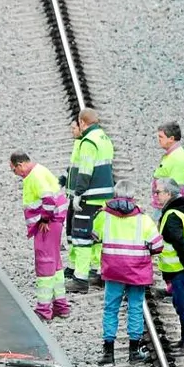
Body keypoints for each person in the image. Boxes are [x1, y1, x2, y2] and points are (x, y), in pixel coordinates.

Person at [92, 179, 162, 365]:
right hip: (137, 271)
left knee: (110, 308)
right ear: (133, 197)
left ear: (115, 196)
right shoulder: (143, 219)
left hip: (113, 270)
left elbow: (95, 237)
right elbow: (157, 245)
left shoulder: (103, 216)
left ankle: (108, 354)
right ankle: (133, 352)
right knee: (135, 308)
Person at [10, 151, 71, 320]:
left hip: (47, 224)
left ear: (20, 165)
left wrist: (44, 219)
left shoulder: (34, 176)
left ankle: (44, 309)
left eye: (14, 170)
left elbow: (48, 199)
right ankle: (61, 305)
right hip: (55, 221)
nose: (15, 174)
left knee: (45, 263)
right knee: (56, 264)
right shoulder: (40, 170)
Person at [65, 109, 116, 294]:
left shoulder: (88, 142)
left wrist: (78, 193)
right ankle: (99, 272)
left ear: (82, 122)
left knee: (81, 237)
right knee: (96, 237)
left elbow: (86, 170)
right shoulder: (103, 138)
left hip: (90, 196)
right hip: (104, 197)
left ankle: (80, 279)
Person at [152, 176, 184, 355]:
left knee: (183, 306)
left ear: (168, 193)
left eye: (158, 192)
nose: (156, 195)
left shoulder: (173, 214)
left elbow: (179, 242)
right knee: (181, 305)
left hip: (181, 269)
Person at [154, 121, 184, 200]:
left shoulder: (178, 159)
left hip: (169, 206)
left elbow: (176, 190)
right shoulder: (174, 154)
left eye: (161, 137)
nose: (158, 139)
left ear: (171, 139)